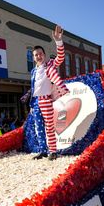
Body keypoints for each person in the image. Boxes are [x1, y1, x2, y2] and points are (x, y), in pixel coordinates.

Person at [29, 25, 69, 160]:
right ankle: (43, 150)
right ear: (33, 57)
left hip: (46, 99)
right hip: (36, 101)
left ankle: (53, 151)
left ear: (44, 55)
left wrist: (58, 41)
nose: (38, 56)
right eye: (36, 55)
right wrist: (31, 104)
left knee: (49, 126)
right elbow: (34, 87)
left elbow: (61, 57)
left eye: (40, 54)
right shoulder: (33, 71)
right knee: (38, 127)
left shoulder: (50, 65)